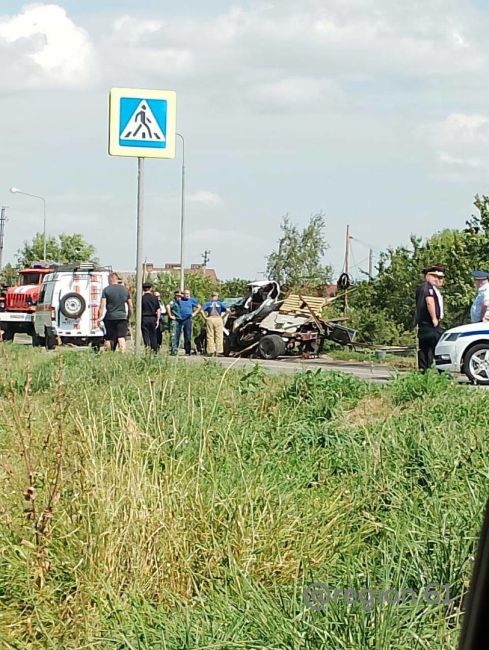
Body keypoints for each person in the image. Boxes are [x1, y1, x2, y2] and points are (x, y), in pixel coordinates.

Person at [414, 265, 445, 371]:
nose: (439, 280)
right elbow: (429, 302)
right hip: (430, 323)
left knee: (426, 348)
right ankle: (442, 371)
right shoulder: (428, 287)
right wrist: (434, 319)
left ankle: (424, 370)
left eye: (440, 278)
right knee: (439, 347)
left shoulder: (424, 287)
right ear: (428, 276)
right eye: (436, 277)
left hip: (424, 323)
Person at [98, 272, 132, 352]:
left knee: (109, 337)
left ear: (111, 279)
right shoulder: (125, 290)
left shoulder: (106, 290)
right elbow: (131, 305)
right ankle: (122, 354)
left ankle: (109, 354)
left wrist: (99, 318)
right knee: (121, 337)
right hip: (122, 317)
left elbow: (102, 305)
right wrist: (128, 317)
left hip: (109, 317)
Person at [173, 288, 201, 355]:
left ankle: (188, 351)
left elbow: (199, 307)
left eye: (188, 294)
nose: (187, 295)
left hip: (187, 319)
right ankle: (174, 349)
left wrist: (194, 313)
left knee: (187, 335)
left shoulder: (192, 300)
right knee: (177, 334)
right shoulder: (179, 300)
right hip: (179, 319)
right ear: (183, 294)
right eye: (186, 294)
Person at [202, 291, 229, 355]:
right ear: (217, 297)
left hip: (210, 318)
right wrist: (223, 317)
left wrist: (205, 317)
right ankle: (218, 351)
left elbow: (201, 310)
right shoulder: (220, 303)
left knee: (210, 335)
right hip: (218, 318)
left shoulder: (208, 303)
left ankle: (211, 351)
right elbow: (228, 310)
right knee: (219, 335)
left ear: (211, 297)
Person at [141, 282, 160, 352]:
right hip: (153, 318)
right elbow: (158, 309)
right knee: (153, 335)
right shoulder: (155, 298)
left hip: (144, 318)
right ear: (150, 288)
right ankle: (154, 350)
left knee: (146, 334)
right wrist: (157, 320)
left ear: (143, 289)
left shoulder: (141, 299)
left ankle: (147, 349)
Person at [167, 290, 182, 355]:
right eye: (177, 296)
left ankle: (175, 349)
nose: (179, 297)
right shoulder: (173, 302)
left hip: (179, 320)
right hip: (174, 320)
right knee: (173, 335)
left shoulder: (180, 302)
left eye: (180, 296)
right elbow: (168, 307)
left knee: (178, 335)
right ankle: (173, 350)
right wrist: (170, 315)